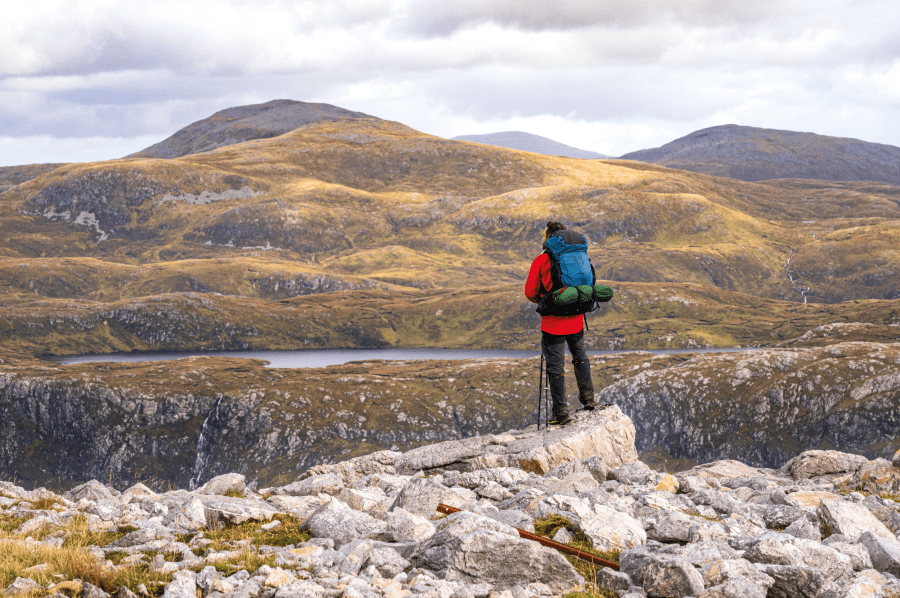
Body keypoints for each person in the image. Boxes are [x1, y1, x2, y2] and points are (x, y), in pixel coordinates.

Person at [524, 221, 597, 425]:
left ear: (548, 237)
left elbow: (530, 292)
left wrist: (545, 299)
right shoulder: (578, 255)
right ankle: (589, 400)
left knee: (555, 367)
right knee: (580, 356)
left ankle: (561, 414)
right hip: (576, 317)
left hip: (553, 322)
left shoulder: (542, 259)